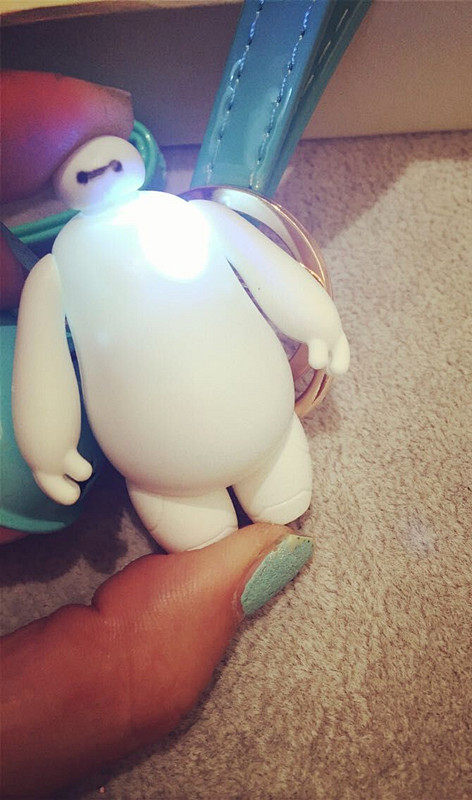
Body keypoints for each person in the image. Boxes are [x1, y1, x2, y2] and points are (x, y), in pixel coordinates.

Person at [0, 72, 314, 799]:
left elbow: (268, 269)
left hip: (267, 423)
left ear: (137, 154)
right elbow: (43, 362)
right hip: (160, 471)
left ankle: (262, 484)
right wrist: (45, 443)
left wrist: (315, 321)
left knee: (284, 497)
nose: (99, 170)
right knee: (203, 544)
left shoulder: (193, 218)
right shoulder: (59, 268)